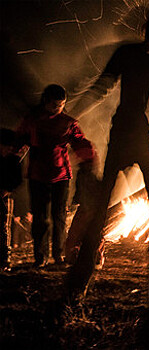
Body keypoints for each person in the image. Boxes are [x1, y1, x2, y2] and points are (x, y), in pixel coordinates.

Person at [65, 5, 149, 306]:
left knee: (105, 204)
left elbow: (101, 89)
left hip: (123, 131)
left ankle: (79, 281)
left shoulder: (128, 55)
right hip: (137, 134)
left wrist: (71, 115)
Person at [16, 85, 96, 268]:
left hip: (61, 175)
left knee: (59, 217)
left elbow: (79, 141)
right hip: (37, 175)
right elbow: (19, 139)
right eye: (54, 105)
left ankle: (58, 256)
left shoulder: (67, 123)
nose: (57, 108)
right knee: (40, 218)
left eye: (61, 105)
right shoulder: (33, 121)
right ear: (46, 101)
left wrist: (89, 158)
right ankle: (40, 257)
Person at [1, 128, 23, 270]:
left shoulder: (14, 160)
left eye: (11, 147)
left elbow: (17, 180)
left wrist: (7, 190)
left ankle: (4, 258)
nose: (9, 149)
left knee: (4, 227)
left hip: (6, 198)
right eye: (6, 146)